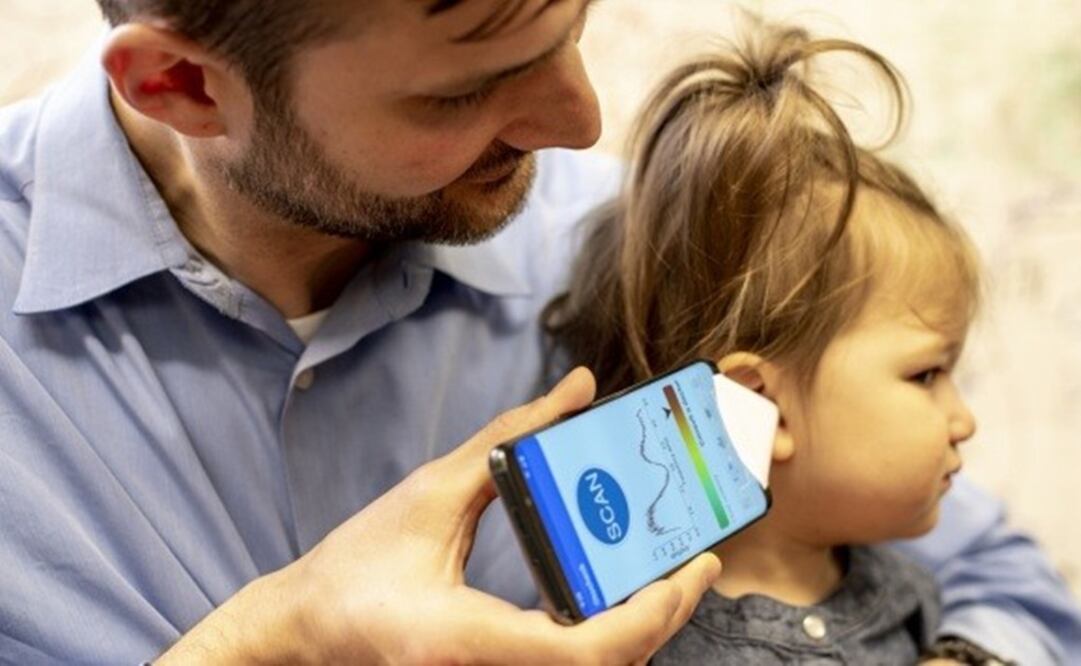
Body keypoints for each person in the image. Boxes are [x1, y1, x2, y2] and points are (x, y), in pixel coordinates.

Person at [0, 0, 1076, 663]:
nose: (580, 120)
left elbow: (997, 586)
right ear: (181, 84)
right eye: (466, 89)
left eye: (568, 26)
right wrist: (271, 645)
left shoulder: (627, 247)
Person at [543, 22, 997, 663]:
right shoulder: (640, 640)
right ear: (763, 404)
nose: (964, 421)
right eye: (926, 375)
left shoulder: (912, 595)